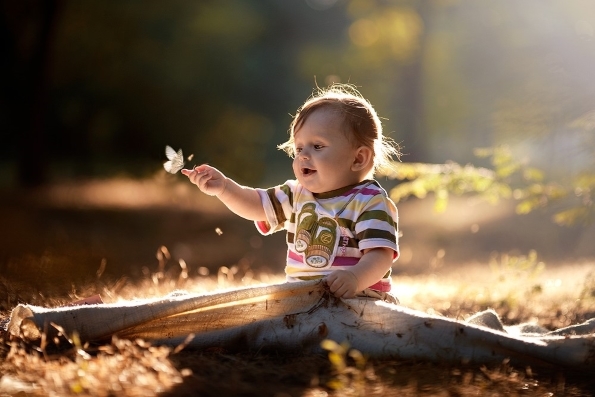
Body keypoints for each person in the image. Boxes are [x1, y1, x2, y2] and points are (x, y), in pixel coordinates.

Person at [182, 84, 400, 301]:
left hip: (358, 299)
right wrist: (226, 188)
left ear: (358, 158)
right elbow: (258, 206)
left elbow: (381, 254)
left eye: (317, 146)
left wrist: (354, 277)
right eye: (298, 148)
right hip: (302, 300)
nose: (303, 155)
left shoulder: (370, 202)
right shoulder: (296, 193)